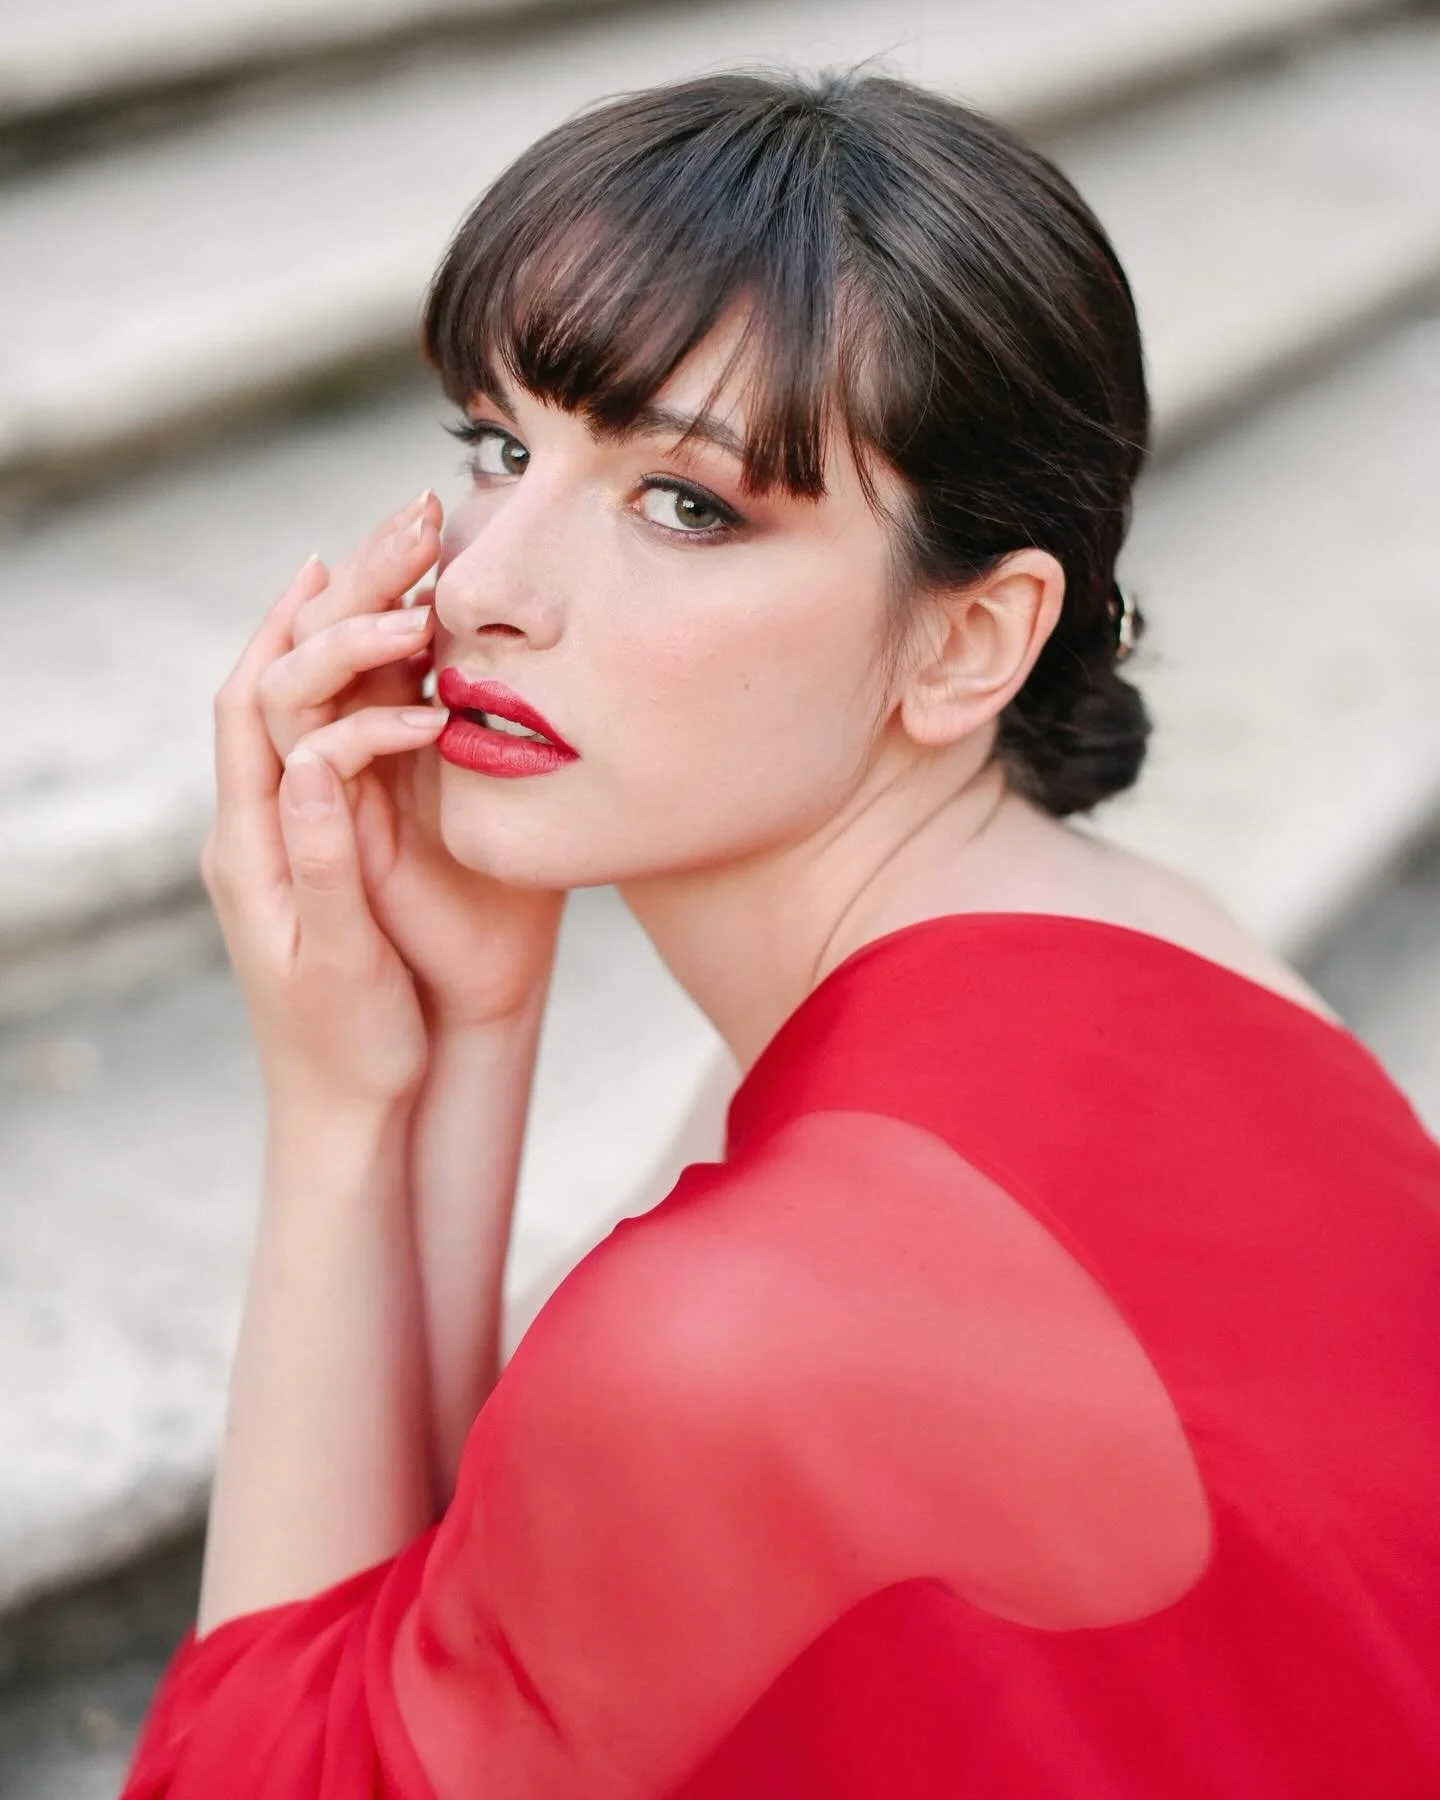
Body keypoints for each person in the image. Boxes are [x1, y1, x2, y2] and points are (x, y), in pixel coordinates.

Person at [120, 68, 1440, 1799]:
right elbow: (475, 1630)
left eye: (689, 505)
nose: (485, 588)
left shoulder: (765, 1315)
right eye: (505, 450)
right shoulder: (1153, 945)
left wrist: (336, 1114)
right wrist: (462, 1034)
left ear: (970, 644)